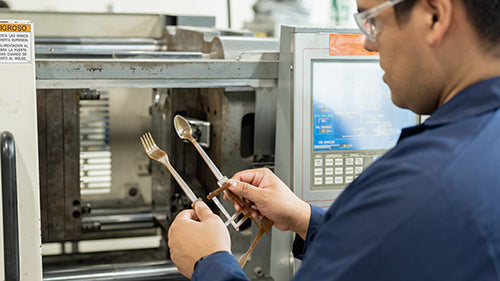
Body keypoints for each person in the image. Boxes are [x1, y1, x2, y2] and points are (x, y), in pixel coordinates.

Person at [167, 0, 500, 280]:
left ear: (434, 16)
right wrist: (304, 219)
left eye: (372, 20)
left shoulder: (420, 184)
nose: (369, 43)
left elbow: (406, 220)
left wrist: (208, 261)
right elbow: (404, 245)